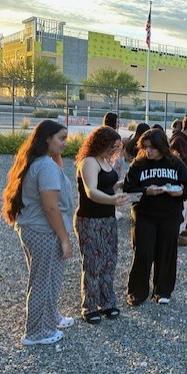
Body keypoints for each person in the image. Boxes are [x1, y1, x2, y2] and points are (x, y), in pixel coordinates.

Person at [1, 120, 75, 345]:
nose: (65, 143)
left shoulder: (41, 162)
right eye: (61, 139)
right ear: (46, 139)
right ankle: (35, 333)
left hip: (35, 228)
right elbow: (51, 207)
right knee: (42, 281)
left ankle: (51, 318)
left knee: (50, 277)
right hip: (44, 231)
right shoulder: (45, 166)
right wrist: (64, 239)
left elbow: (58, 173)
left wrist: (56, 154)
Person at [123, 128, 187, 306]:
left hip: (169, 216)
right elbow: (128, 189)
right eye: (146, 147)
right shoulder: (138, 164)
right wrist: (145, 190)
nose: (149, 151)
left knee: (166, 253)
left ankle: (162, 290)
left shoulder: (175, 163)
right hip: (144, 215)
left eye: (153, 148)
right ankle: (137, 292)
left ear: (162, 147)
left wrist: (180, 192)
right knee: (143, 253)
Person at [74, 127, 130, 324]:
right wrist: (113, 200)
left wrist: (120, 185)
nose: (115, 150)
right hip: (90, 219)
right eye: (113, 146)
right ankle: (89, 306)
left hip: (107, 219)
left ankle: (107, 302)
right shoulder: (88, 161)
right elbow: (91, 191)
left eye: (117, 147)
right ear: (101, 143)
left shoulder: (105, 160)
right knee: (93, 264)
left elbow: (106, 185)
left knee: (109, 261)